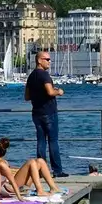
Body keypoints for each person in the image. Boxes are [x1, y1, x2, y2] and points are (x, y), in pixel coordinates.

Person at [24, 48, 64, 176]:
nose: (49, 62)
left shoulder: (31, 76)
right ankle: (57, 170)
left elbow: (27, 96)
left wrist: (38, 94)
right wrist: (59, 92)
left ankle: (41, 170)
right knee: (53, 141)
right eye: (47, 59)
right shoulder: (44, 75)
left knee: (41, 141)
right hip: (49, 112)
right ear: (39, 61)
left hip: (36, 113)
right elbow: (50, 92)